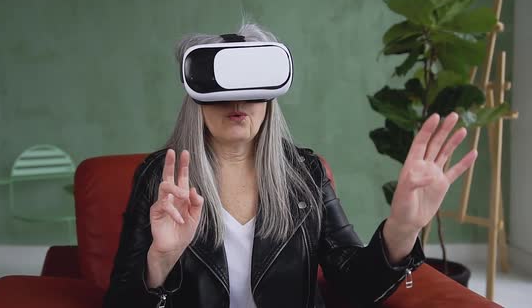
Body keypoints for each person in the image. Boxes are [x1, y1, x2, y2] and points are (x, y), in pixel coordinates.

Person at [102, 23, 478, 308]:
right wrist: (160, 261)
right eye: (223, 88)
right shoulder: (159, 178)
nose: (239, 101)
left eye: (252, 86)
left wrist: (402, 229)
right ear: (197, 97)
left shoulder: (305, 174)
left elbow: (353, 288)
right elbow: (120, 300)